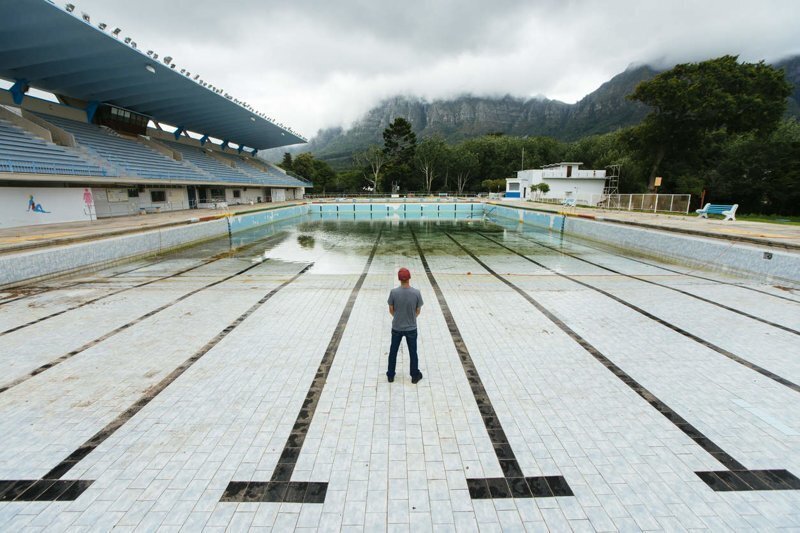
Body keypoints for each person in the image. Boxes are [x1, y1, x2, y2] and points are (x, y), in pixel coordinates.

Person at [387, 267, 424, 384]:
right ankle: (414, 376)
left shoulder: (393, 292)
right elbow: (418, 310)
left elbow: (391, 309)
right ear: (409, 278)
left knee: (393, 351)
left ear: (399, 279)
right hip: (411, 328)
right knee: (413, 352)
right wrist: (411, 319)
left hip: (397, 327)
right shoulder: (416, 293)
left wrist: (398, 318)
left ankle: (391, 375)